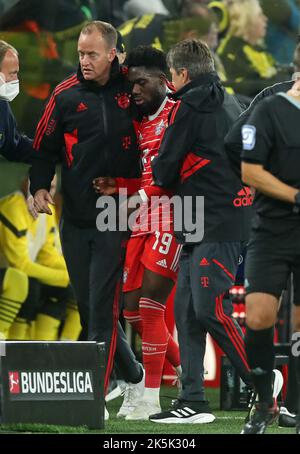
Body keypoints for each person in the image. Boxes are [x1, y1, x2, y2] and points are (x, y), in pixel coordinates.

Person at [29, 20, 144, 419]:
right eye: (80, 53)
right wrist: (39, 187)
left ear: (113, 53)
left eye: (92, 53)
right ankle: (135, 375)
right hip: (74, 217)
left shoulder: (137, 87)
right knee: (92, 305)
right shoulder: (63, 95)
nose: (85, 60)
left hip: (118, 213)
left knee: (101, 307)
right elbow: (42, 148)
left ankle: (92, 398)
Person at [148, 38, 254, 424]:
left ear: (181, 74)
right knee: (189, 312)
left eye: (171, 75)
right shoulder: (237, 100)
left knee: (210, 310)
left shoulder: (187, 106)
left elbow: (164, 168)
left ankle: (264, 381)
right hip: (224, 218)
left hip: (212, 221)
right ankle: (193, 400)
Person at [94, 45, 181, 420]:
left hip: (176, 215)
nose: (134, 92)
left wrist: (141, 194)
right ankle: (185, 369)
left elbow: (178, 173)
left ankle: (150, 399)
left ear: (163, 81)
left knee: (149, 306)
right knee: (130, 311)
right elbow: (147, 176)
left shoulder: (180, 114)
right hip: (140, 217)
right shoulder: (140, 121)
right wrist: (123, 187)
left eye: (141, 84)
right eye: (131, 86)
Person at [240, 77, 300, 435]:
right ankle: (265, 400)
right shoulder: (268, 110)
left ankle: (296, 406)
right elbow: (249, 170)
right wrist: (294, 196)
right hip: (272, 230)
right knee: (258, 317)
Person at [217, 0, 287, 99]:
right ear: (247, 19)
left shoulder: (255, 48)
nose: (265, 19)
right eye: (259, 15)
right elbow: (248, 89)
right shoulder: (233, 52)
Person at [0, 40, 33, 163]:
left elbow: (15, 146)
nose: (16, 80)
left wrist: (56, 150)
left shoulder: (1, 105)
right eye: (12, 74)